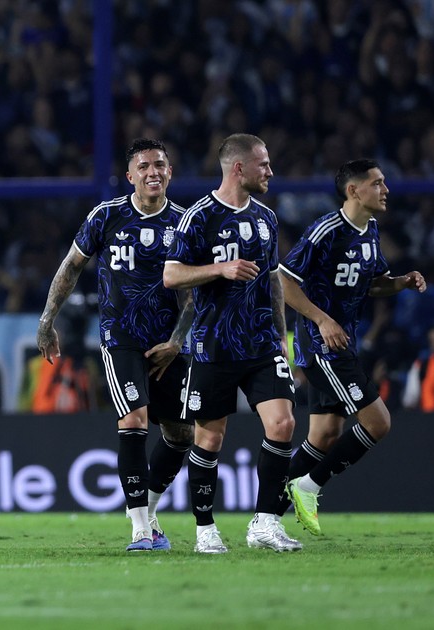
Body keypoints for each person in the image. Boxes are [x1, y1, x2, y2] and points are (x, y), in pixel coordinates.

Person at [37, 139, 195, 551]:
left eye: (159, 164)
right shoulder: (106, 215)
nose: (152, 172)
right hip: (120, 339)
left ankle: (149, 510)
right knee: (134, 420)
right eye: (144, 166)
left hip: (168, 344)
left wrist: (176, 342)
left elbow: (191, 296)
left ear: (170, 172)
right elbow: (71, 267)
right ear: (130, 176)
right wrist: (47, 320)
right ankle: (140, 529)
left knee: (181, 433)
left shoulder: (185, 223)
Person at [162, 133, 302, 554]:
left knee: (283, 424)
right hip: (213, 345)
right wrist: (218, 269)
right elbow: (171, 275)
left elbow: (273, 280)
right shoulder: (198, 216)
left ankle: (265, 522)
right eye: (264, 164)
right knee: (210, 438)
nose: (270, 171)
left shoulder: (266, 217)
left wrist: (281, 335)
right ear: (239, 168)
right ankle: (205, 529)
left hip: (261, 343)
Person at [280, 158, 427, 536]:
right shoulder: (326, 231)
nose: (386, 190)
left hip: (343, 343)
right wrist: (322, 320)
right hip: (321, 345)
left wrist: (401, 282)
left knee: (325, 435)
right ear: (353, 190)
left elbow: (374, 284)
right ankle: (308, 486)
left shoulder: (370, 230)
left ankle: (265, 516)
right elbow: (285, 281)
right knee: (379, 422)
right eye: (377, 183)